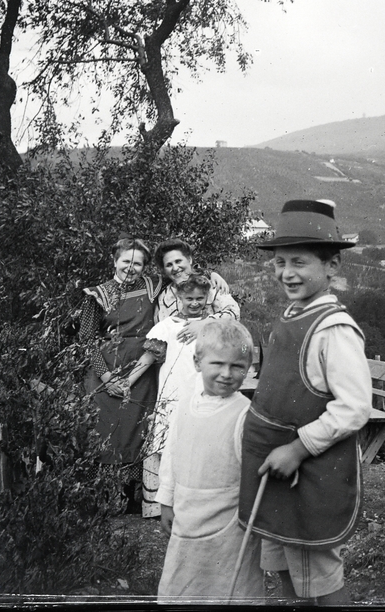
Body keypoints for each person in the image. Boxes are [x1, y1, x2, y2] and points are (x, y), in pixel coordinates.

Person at [239, 199, 370, 605]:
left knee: (319, 576)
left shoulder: (333, 329)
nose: (286, 273)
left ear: (332, 266)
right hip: (276, 474)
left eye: (299, 262)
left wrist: (297, 449)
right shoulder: (294, 314)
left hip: (306, 474)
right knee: (288, 570)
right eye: (279, 263)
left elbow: (354, 407)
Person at [156, 318, 263, 601]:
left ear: (248, 369)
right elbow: (172, 452)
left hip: (229, 521)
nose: (227, 374)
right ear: (197, 362)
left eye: (237, 366)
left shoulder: (245, 414)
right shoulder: (185, 405)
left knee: (230, 587)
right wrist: (166, 499)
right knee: (185, 583)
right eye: (218, 364)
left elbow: (254, 473)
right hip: (188, 513)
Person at [80, 237, 163, 513]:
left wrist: (215, 277)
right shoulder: (97, 294)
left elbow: (185, 274)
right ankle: (102, 499)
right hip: (104, 373)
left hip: (142, 372)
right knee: (104, 432)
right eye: (126, 261)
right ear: (115, 261)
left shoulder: (153, 287)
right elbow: (87, 341)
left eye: (138, 263)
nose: (131, 267)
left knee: (137, 432)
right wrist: (107, 379)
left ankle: (132, 500)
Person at [137, 273, 215, 518]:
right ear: (179, 297)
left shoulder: (212, 324)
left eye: (200, 298)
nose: (194, 303)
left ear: (207, 297)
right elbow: (150, 357)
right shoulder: (167, 326)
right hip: (173, 390)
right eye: (189, 298)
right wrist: (128, 380)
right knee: (164, 444)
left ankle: (197, 502)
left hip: (202, 390)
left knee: (201, 445)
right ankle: (158, 505)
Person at [152, 239, 241, 343]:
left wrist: (205, 323)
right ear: (164, 269)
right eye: (169, 265)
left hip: (212, 351)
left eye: (178, 261)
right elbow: (162, 333)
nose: (175, 268)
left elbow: (233, 313)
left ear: (189, 260)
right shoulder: (163, 297)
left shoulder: (211, 285)